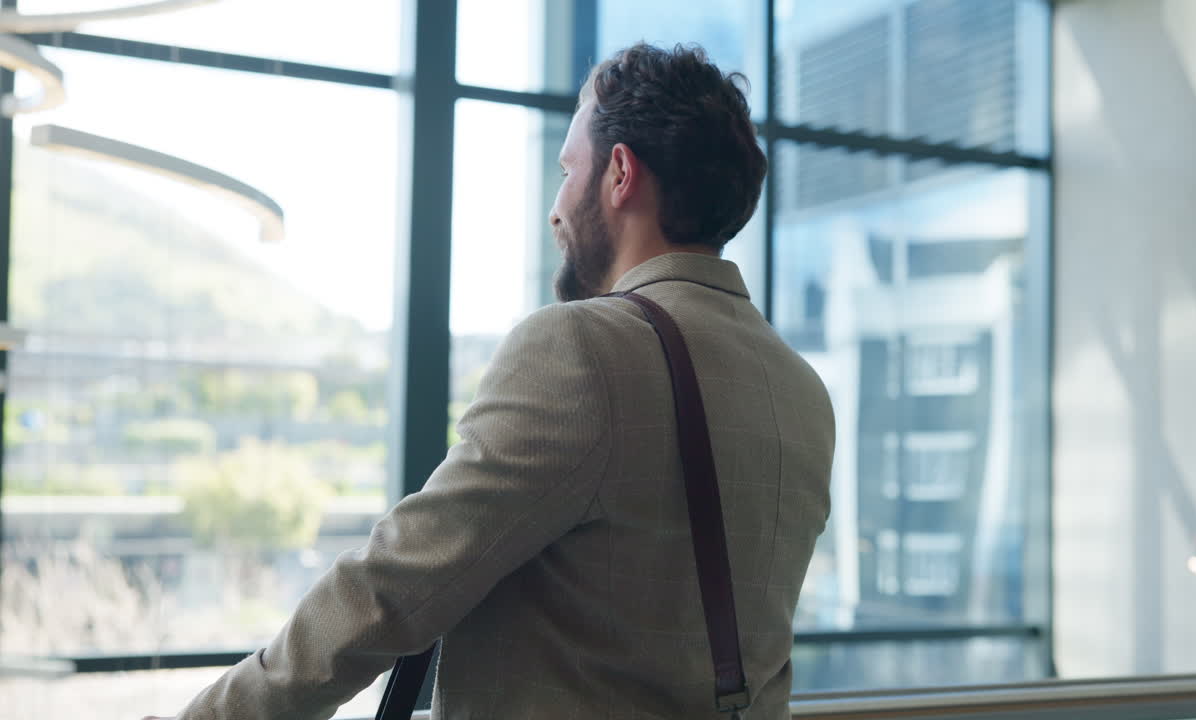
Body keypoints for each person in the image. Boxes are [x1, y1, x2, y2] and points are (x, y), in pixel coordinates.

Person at [151, 42, 834, 720]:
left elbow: (391, 589)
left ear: (620, 172)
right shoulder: (802, 392)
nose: (556, 207)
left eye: (569, 170)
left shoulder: (584, 348)